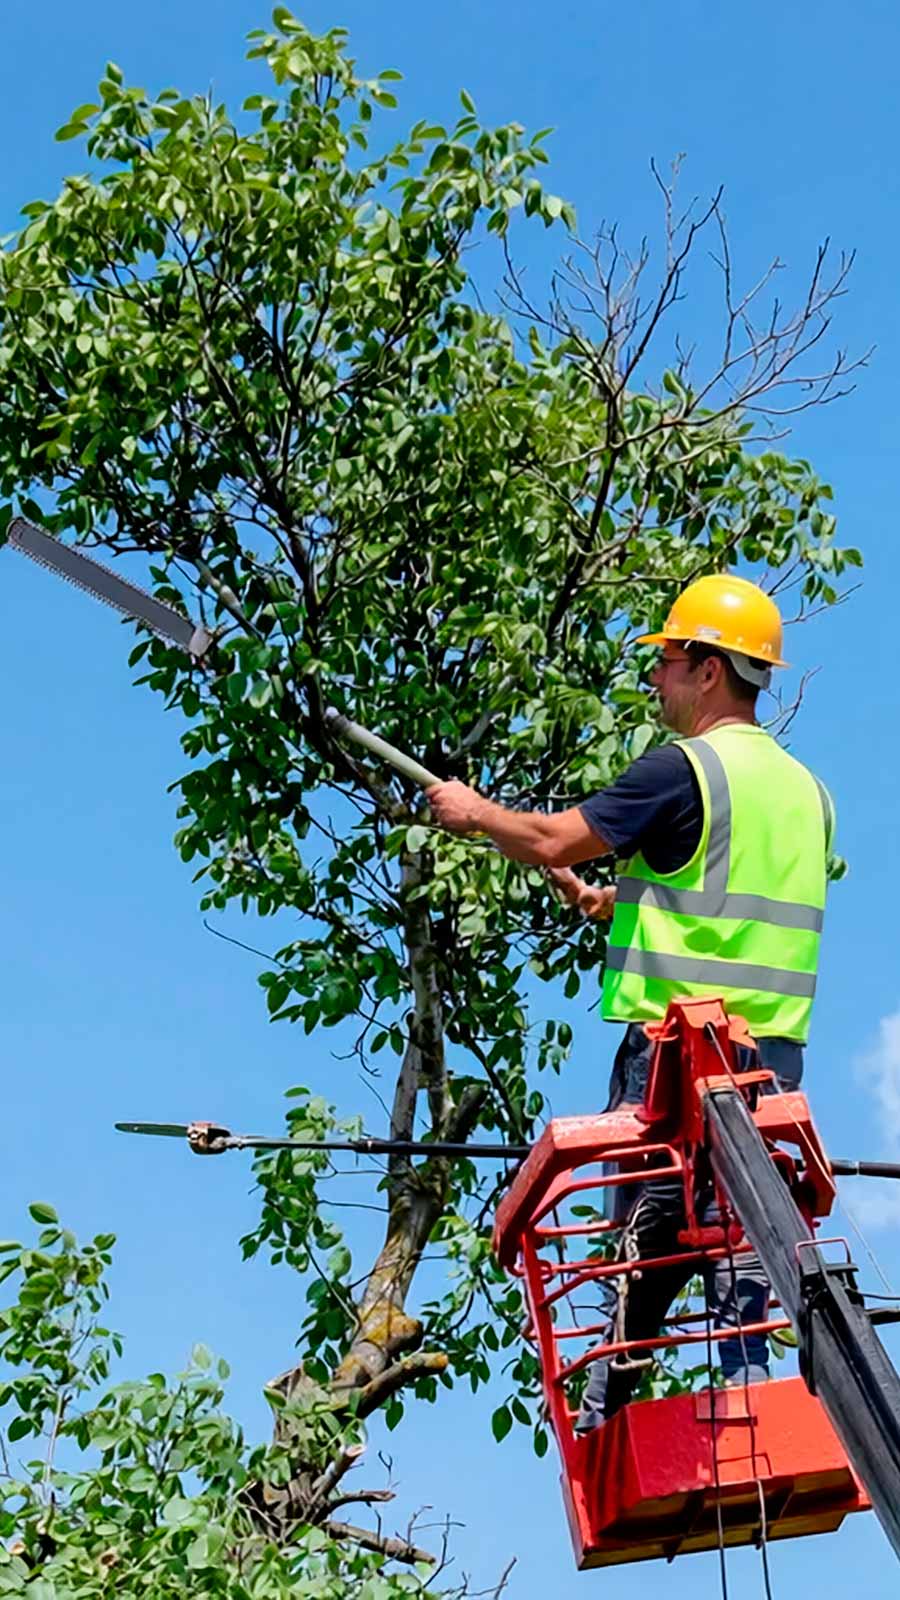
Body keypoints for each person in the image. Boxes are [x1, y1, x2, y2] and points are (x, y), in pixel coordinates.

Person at [426, 574, 835, 1425]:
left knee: (654, 1230)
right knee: (737, 1234)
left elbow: (550, 839)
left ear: (711, 671)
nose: (657, 680)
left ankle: (619, 1399)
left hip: (678, 1053)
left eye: (669, 662)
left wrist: (472, 813)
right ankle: (741, 1390)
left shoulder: (684, 769)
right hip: (774, 1064)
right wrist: (624, 900)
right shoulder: (807, 794)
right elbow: (729, 895)